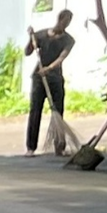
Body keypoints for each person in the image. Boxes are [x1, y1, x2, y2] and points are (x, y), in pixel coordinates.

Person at [25, 8, 76, 153]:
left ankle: (59, 146)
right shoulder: (41, 35)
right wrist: (32, 39)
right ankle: (31, 147)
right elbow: (27, 52)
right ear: (59, 19)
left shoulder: (69, 40)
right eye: (64, 21)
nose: (65, 25)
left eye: (68, 23)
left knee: (58, 111)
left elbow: (61, 58)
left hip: (55, 79)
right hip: (38, 78)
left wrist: (48, 68)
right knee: (35, 111)